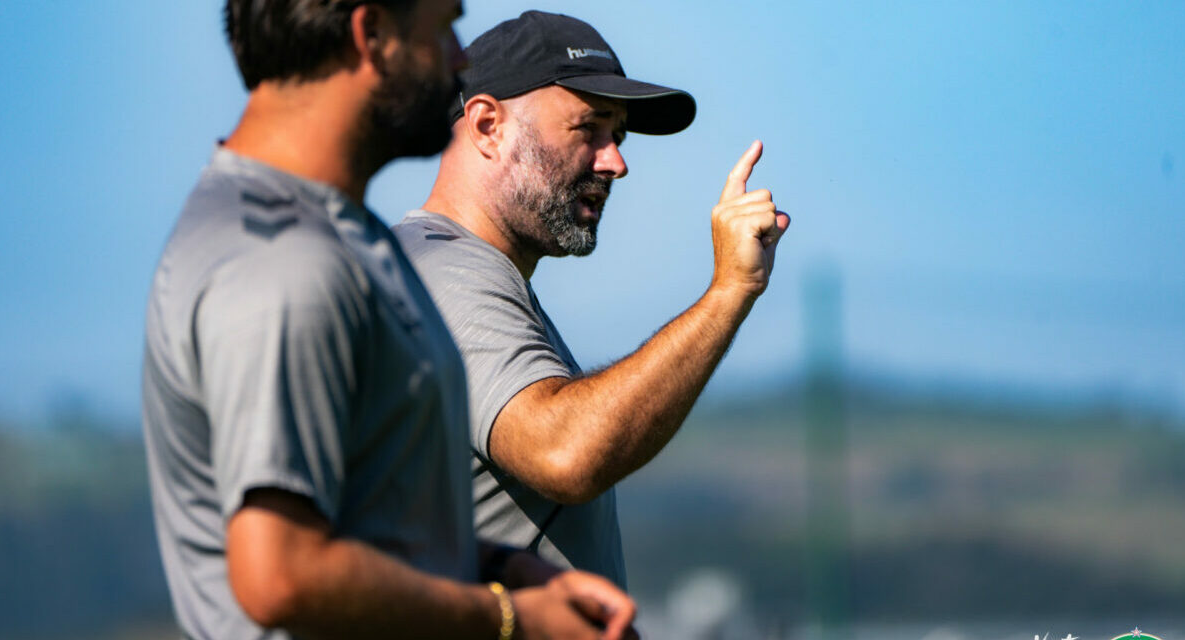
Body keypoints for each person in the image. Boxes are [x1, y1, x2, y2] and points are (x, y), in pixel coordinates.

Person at [141, 2, 636, 638]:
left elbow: (371, 524)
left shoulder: (341, 238)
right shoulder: (281, 261)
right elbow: (281, 575)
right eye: (442, 28)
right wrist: (512, 617)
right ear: (371, 34)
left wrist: (505, 566)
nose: (460, 58)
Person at [394, 10, 790, 588]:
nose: (616, 162)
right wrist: (730, 290)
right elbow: (565, 452)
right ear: (486, 126)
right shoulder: (445, 272)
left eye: (619, 137)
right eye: (589, 128)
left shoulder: (471, 274)